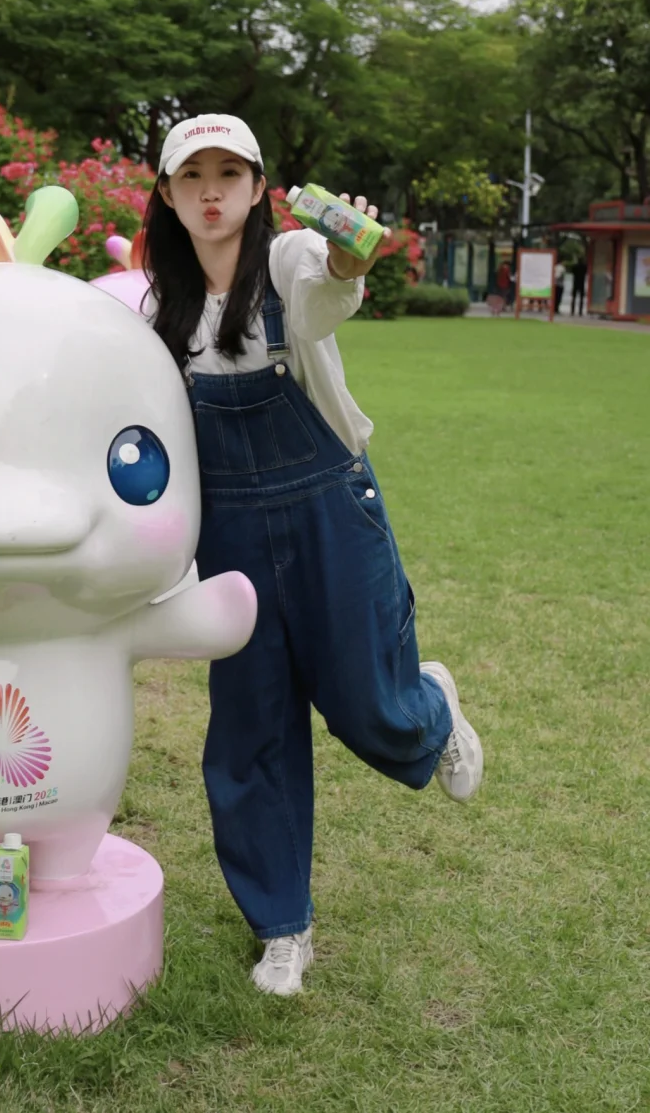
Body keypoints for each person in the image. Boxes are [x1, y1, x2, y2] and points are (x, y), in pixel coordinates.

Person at [141, 114, 483, 998]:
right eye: (192, 177)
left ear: (259, 188)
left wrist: (347, 259)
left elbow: (328, 293)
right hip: (232, 539)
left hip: (331, 506)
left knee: (369, 703)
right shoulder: (159, 312)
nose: (210, 190)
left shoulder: (290, 259)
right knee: (250, 731)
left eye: (229, 173)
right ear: (170, 195)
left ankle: (431, 709)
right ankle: (282, 927)